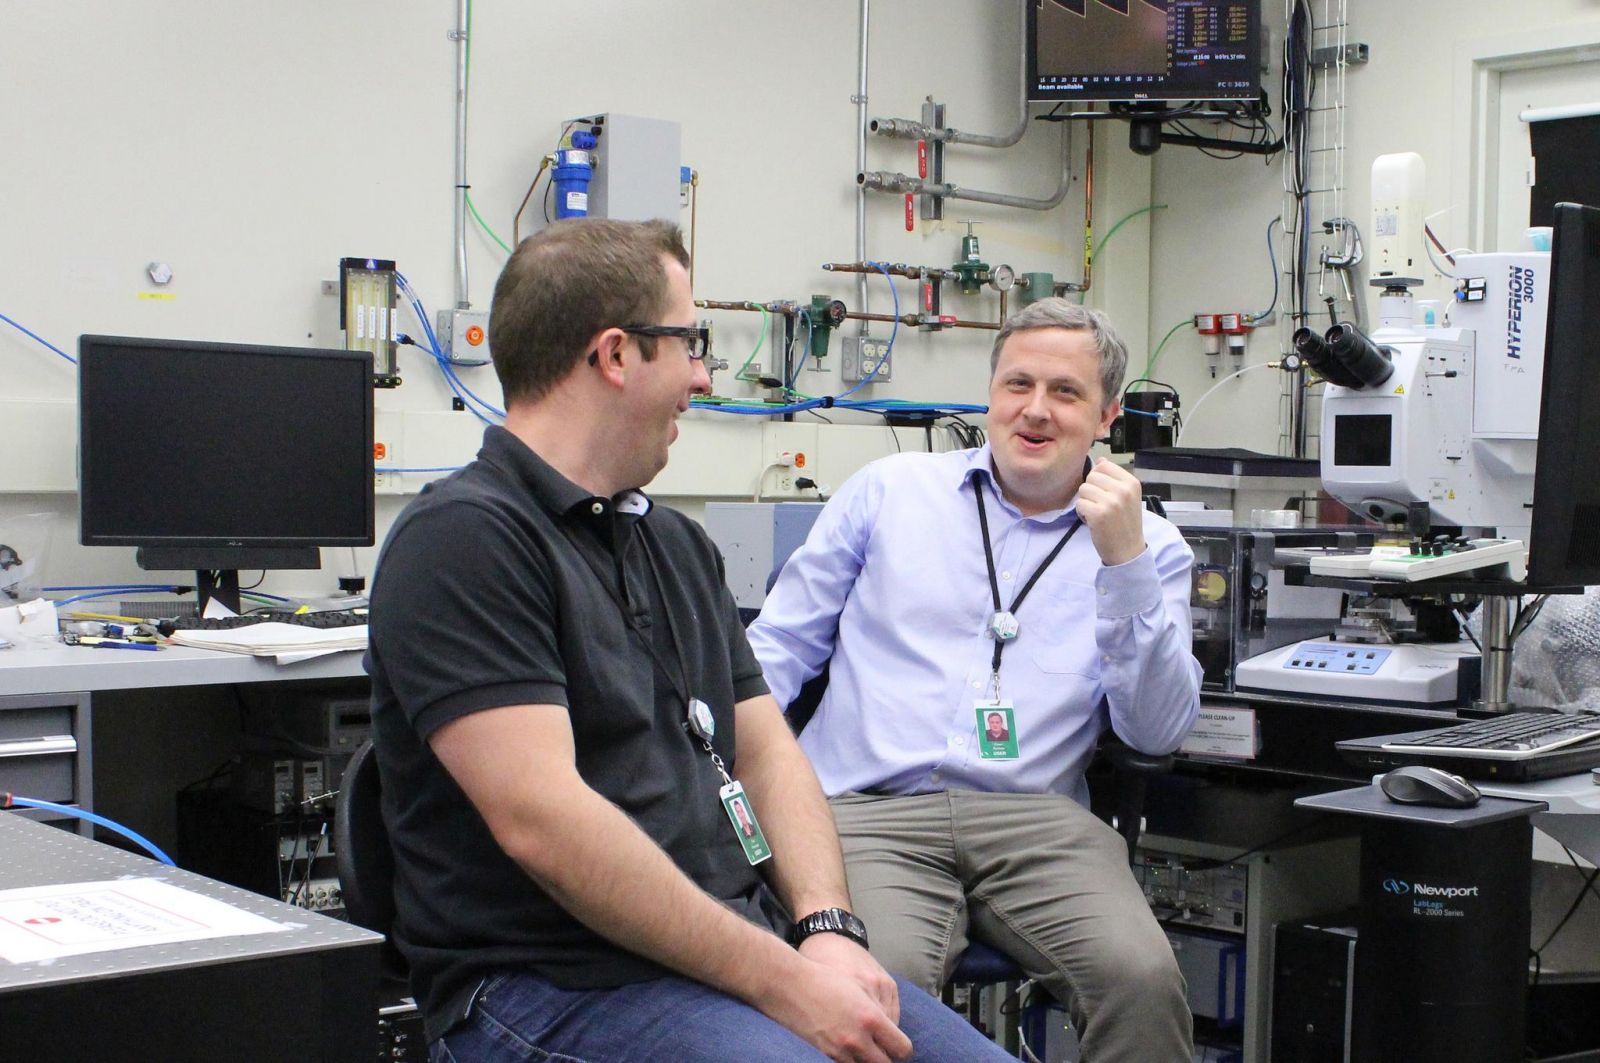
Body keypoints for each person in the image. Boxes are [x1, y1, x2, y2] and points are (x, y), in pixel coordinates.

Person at [366, 217, 1011, 1063]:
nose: (705, 374)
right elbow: (545, 825)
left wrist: (825, 927)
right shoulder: (464, 541)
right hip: (551, 988)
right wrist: (782, 984)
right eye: (690, 341)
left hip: (731, 954)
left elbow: (767, 754)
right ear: (615, 355)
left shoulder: (675, 545)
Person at [748, 299, 1202, 1061]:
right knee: (877, 990)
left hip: (1039, 822)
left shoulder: (1149, 544)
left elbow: (1157, 730)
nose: (1035, 410)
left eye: (1065, 392)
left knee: (1142, 978)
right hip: (868, 811)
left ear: (1107, 416)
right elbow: (774, 653)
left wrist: (1124, 567)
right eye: (1017, 384)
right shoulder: (888, 492)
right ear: (990, 394)